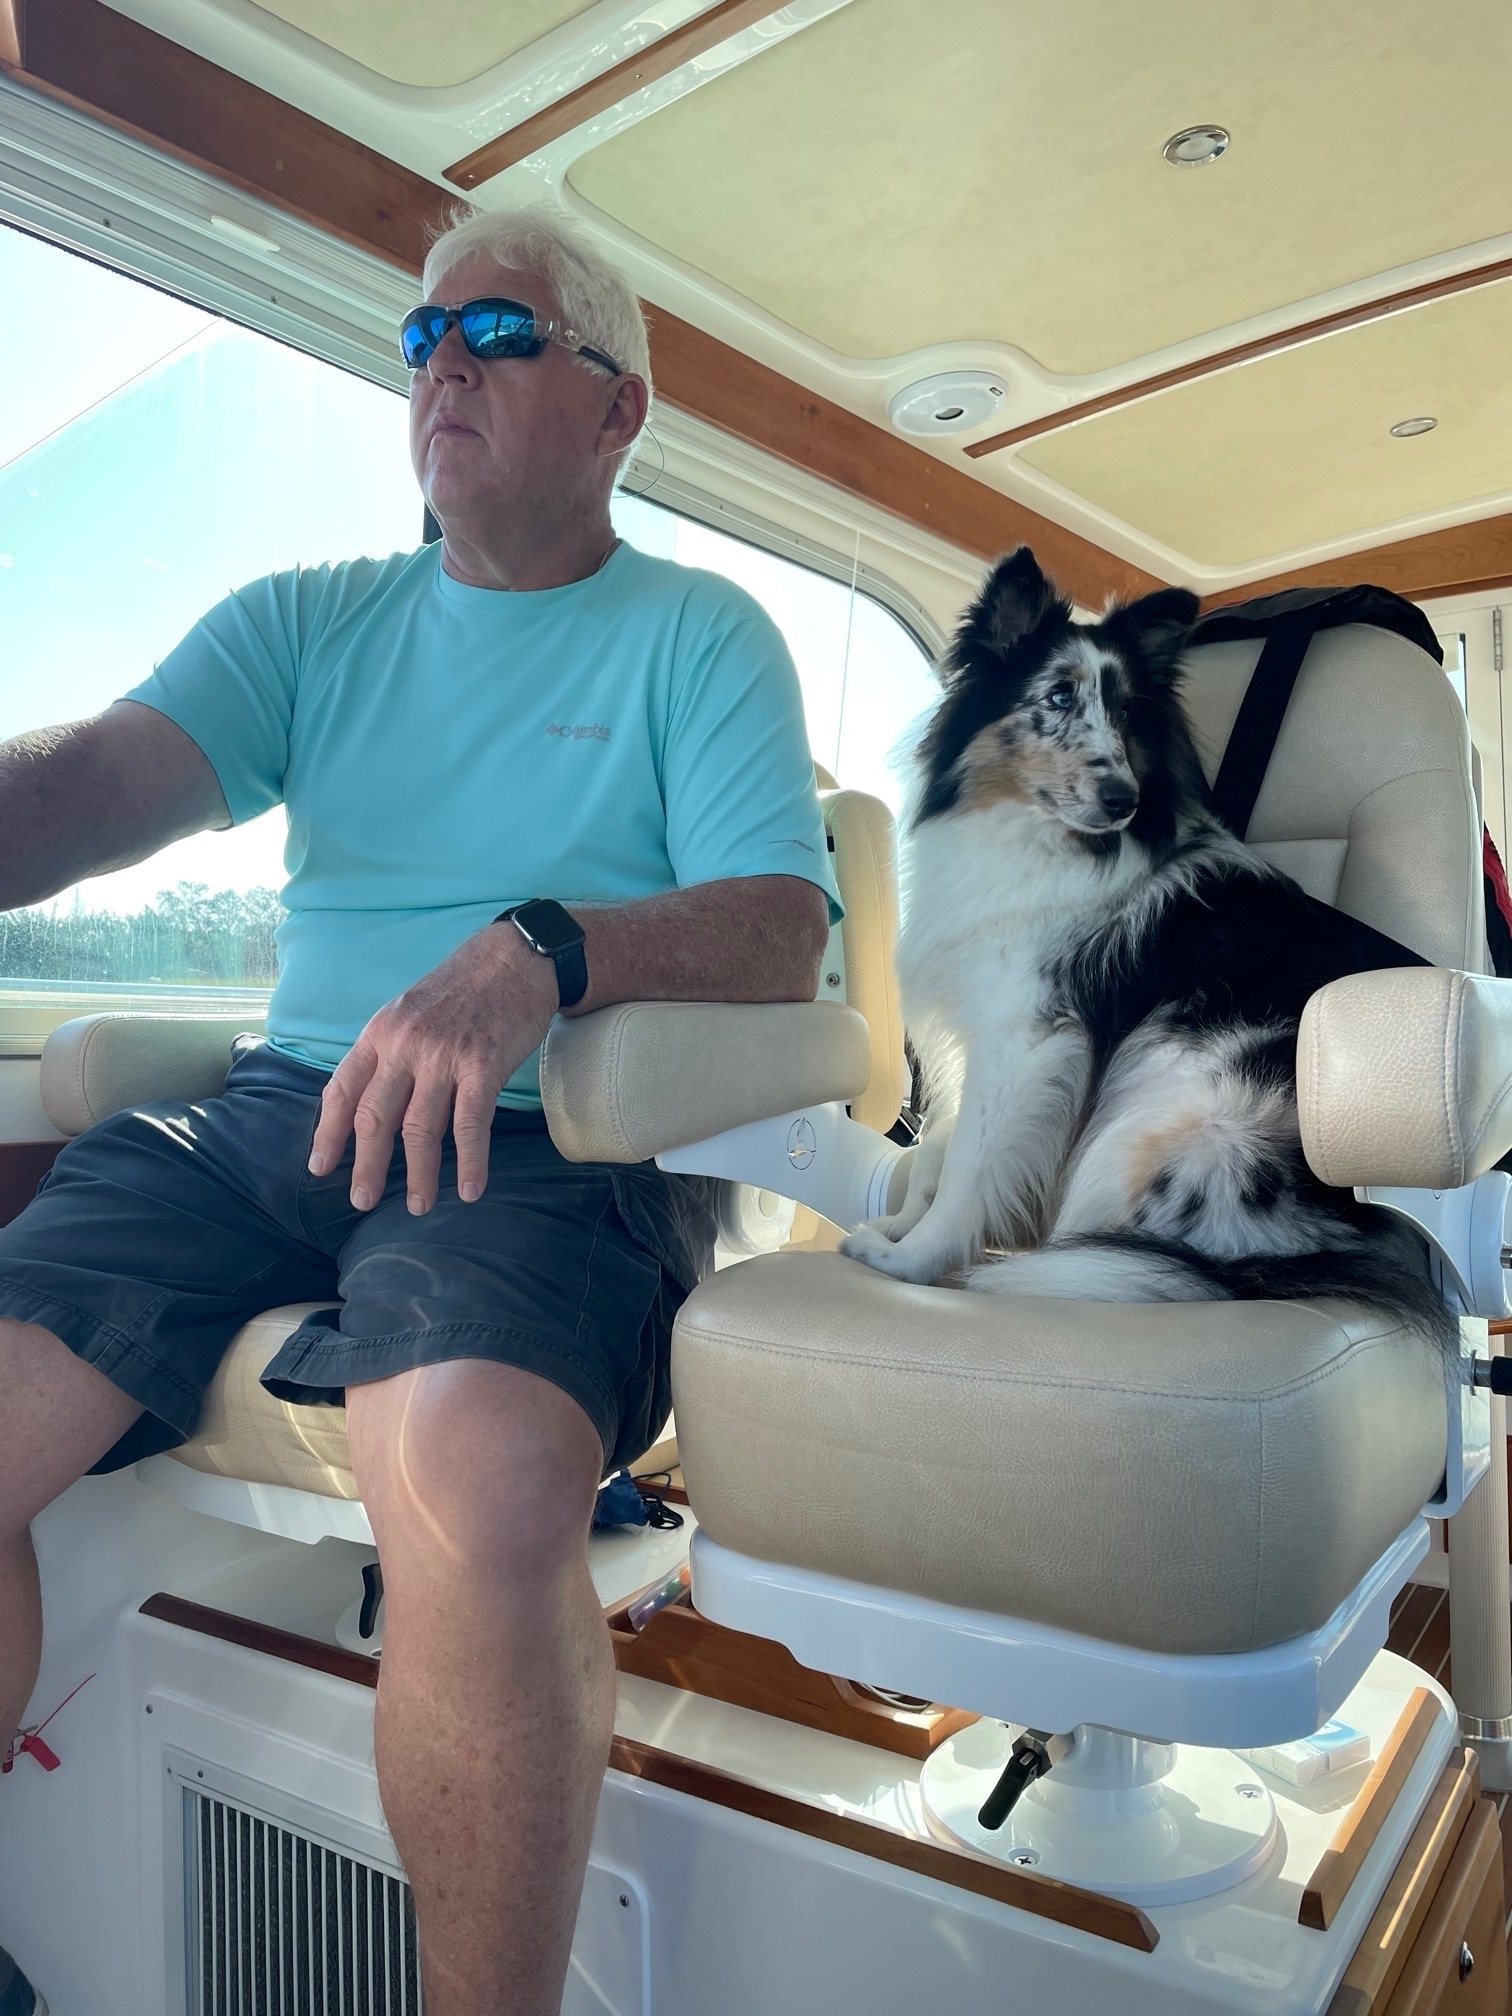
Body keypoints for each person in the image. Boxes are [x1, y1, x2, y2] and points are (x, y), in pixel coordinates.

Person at [0, 205, 838, 2016]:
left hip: (553, 1138)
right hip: (270, 1126)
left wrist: (536, 951)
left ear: (618, 412)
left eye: (503, 332)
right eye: (420, 337)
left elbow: (783, 929)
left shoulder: (702, 637)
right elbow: (84, 785)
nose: (442, 358)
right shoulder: (310, 625)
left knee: (469, 1472)